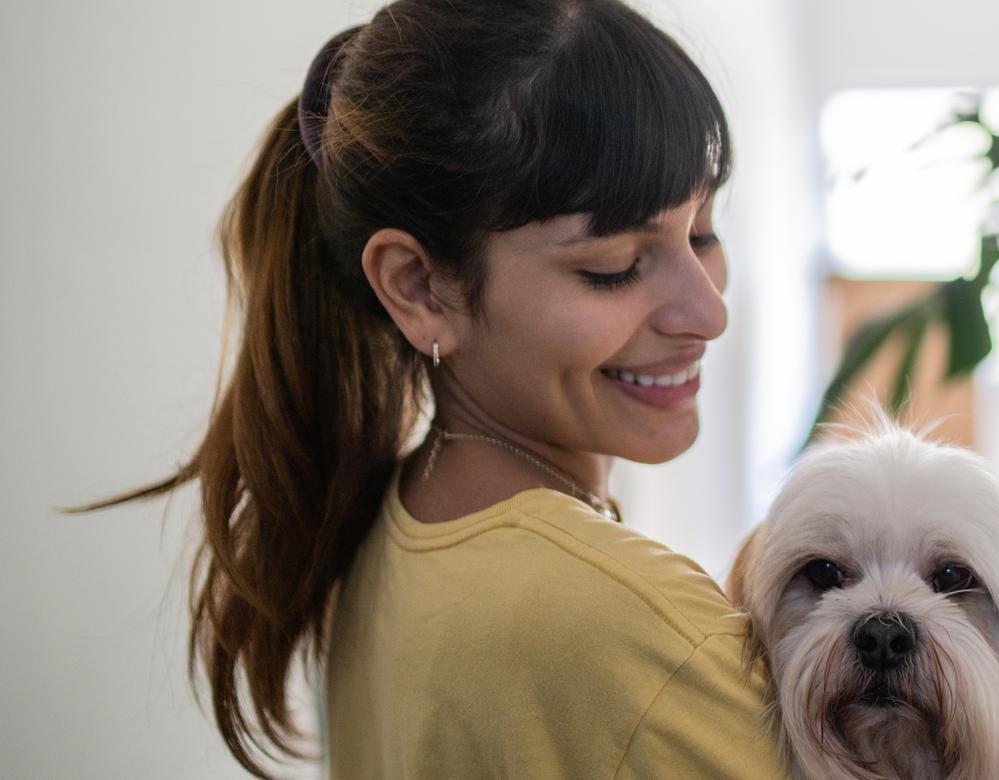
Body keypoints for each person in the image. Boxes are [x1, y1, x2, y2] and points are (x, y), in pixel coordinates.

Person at [80, 1, 787, 776]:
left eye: (704, 231)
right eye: (612, 264)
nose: (708, 311)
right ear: (418, 287)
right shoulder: (631, 627)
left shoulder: (393, 527)